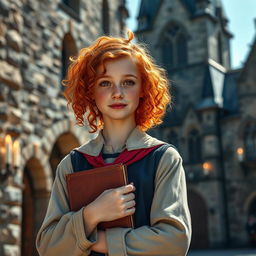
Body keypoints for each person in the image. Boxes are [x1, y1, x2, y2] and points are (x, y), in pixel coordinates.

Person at [36, 31, 191, 256]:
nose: (117, 93)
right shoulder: (71, 164)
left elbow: (174, 242)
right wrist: (92, 214)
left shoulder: (164, 158)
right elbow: (48, 247)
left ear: (143, 90)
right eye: (105, 83)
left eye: (128, 82)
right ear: (91, 92)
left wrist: (97, 241)